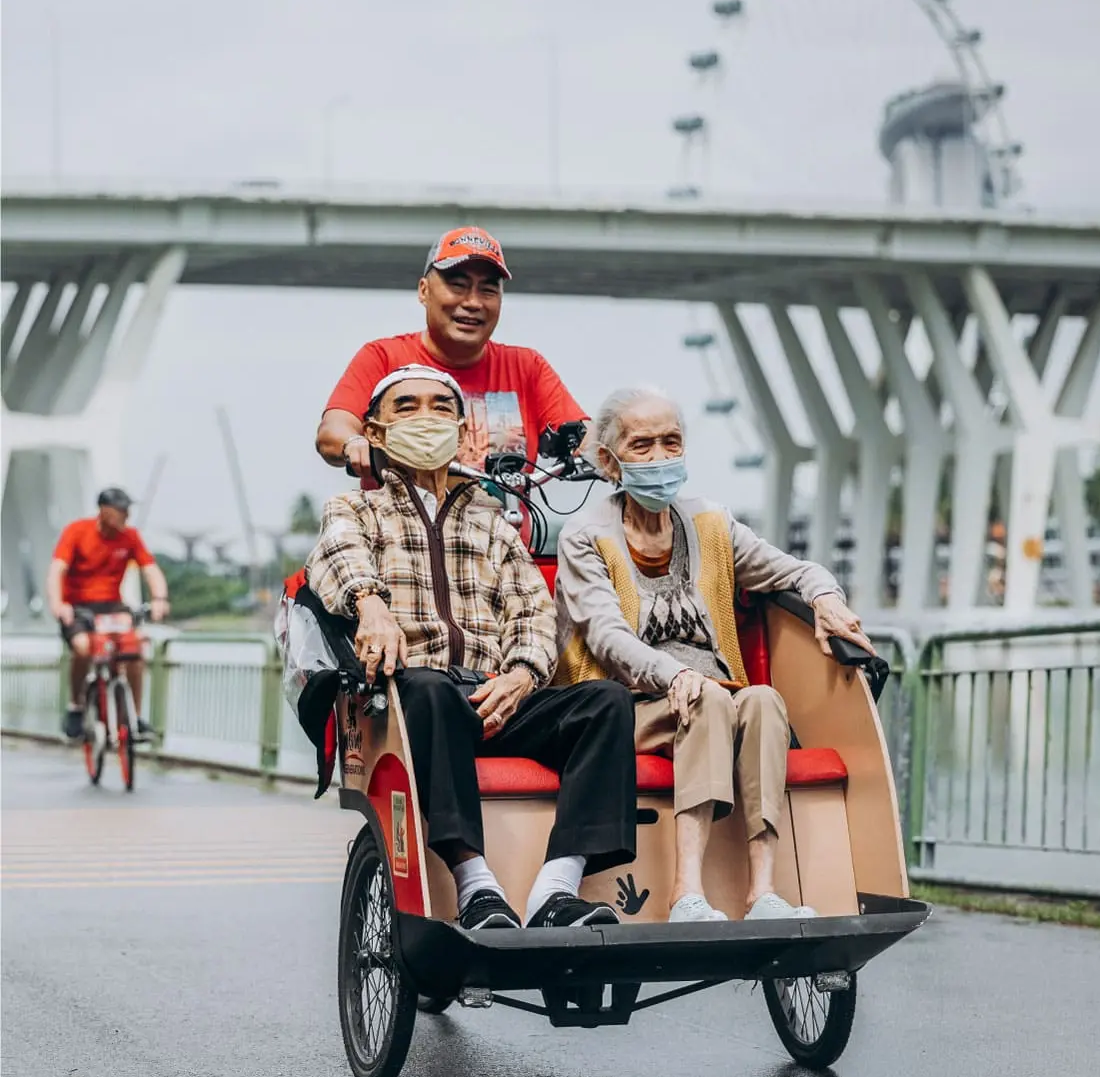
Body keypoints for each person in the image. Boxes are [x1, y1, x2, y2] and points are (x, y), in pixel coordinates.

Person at [306, 365, 637, 931]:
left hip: (493, 696)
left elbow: (534, 612)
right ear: (376, 433)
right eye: (406, 408)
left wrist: (521, 676)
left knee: (606, 702)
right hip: (416, 700)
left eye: (440, 408)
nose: (426, 418)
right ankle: (475, 883)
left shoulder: (492, 522)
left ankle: (557, 887)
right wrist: (371, 605)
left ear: (463, 434)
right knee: (429, 687)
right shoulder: (355, 510)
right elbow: (337, 558)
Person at [555, 387, 875, 924]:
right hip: (623, 708)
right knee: (708, 701)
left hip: (714, 696)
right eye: (643, 446)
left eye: (671, 442)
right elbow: (607, 635)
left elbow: (796, 570)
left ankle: (765, 891)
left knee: (766, 702)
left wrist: (825, 599)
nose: (660, 457)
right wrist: (675, 675)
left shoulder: (711, 523)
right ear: (610, 463)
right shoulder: (586, 536)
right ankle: (687, 893)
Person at [316, 226, 587, 485]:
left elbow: (587, 434)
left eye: (488, 290)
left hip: (505, 527)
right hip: (401, 529)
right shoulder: (383, 358)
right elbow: (333, 430)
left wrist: (602, 448)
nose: (473, 302)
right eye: (458, 286)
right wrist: (353, 444)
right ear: (424, 291)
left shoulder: (527, 367)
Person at [46, 488, 170, 739]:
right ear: (104, 510)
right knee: (82, 647)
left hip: (111, 605)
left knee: (134, 651)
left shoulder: (130, 537)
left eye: (128, 509)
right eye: (121, 509)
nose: (126, 515)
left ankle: (132, 717)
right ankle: (77, 708)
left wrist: (159, 599)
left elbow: (150, 570)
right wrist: (58, 604)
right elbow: (57, 570)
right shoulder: (77, 531)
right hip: (78, 606)